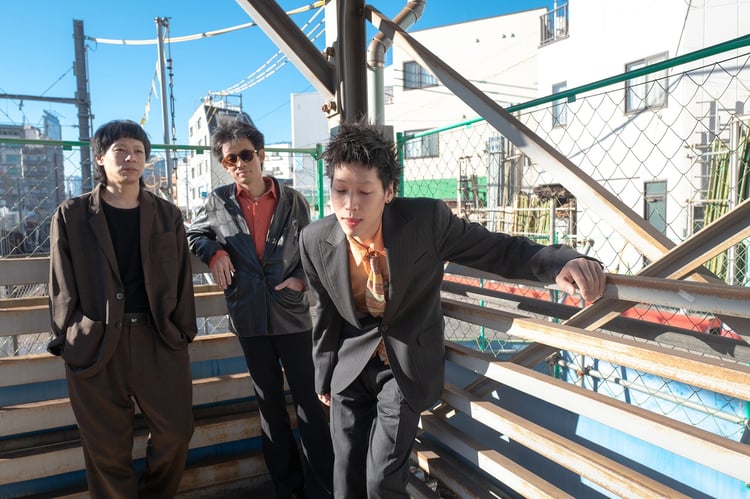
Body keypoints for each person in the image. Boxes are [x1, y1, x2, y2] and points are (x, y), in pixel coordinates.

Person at [298, 121, 606, 499]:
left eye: (364, 191)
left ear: (389, 192)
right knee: (345, 475)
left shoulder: (425, 221)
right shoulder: (314, 239)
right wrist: (323, 375)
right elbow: (325, 312)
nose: (350, 205)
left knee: (381, 480)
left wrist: (560, 262)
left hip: (403, 365)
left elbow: (495, 248)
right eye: (340, 190)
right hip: (349, 367)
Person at [47, 119, 197, 498]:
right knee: (106, 448)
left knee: (177, 431)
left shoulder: (167, 214)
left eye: (138, 152)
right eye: (120, 151)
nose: (130, 158)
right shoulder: (72, 215)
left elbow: (182, 277)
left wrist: (182, 331)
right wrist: (72, 336)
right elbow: (61, 285)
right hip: (96, 343)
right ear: (100, 158)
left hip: (159, 338)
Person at [186, 116, 334, 499]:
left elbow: (311, 248)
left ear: (261, 155)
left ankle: (322, 488)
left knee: (310, 403)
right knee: (269, 407)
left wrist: (301, 280)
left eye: (246, 155)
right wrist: (214, 252)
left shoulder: (293, 200)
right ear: (224, 164)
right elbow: (194, 233)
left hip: (292, 315)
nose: (239, 164)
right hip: (249, 316)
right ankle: (287, 488)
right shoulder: (217, 201)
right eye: (230, 159)